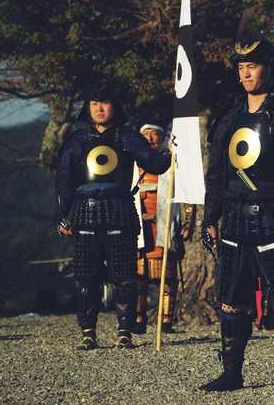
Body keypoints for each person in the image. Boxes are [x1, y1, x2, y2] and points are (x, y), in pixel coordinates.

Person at [200, 19, 274, 394]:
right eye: (241, 67)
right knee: (232, 300)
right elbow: (217, 173)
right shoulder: (230, 117)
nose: (246, 73)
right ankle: (232, 372)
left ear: (269, 68)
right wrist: (210, 218)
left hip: (273, 217)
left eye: (252, 66)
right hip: (235, 219)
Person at [56, 89, 171, 350]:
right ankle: (88, 332)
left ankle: (124, 332)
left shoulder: (127, 137)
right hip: (85, 211)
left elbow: (153, 164)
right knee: (87, 277)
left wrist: (168, 151)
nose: (99, 109)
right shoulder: (77, 140)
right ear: (87, 106)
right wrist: (63, 215)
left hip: (119, 210)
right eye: (94, 103)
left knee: (124, 276)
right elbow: (64, 179)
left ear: (114, 106)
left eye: (105, 103)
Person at [133, 124, 183, 334]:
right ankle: (137, 318)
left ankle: (165, 320)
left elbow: (183, 195)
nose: (151, 139)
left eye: (155, 135)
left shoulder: (171, 164)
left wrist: (186, 222)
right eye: (146, 136)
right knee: (138, 281)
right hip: (139, 230)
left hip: (164, 229)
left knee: (168, 279)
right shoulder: (132, 166)